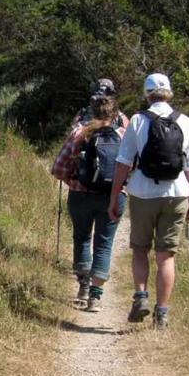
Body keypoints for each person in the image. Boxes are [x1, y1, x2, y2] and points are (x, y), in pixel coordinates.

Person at [107, 73, 189, 330]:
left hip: (142, 193)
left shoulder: (137, 120)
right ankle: (162, 314)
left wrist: (114, 196)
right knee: (165, 257)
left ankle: (140, 297)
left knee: (139, 249)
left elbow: (123, 163)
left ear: (147, 94)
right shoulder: (185, 121)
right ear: (169, 92)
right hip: (177, 193)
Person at [52, 94, 128, 312]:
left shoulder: (79, 133)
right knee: (104, 244)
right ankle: (95, 297)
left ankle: (83, 287)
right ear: (115, 115)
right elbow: (132, 167)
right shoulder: (123, 135)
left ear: (92, 112)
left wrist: (73, 182)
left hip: (80, 195)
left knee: (82, 238)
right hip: (112, 196)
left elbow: (58, 168)